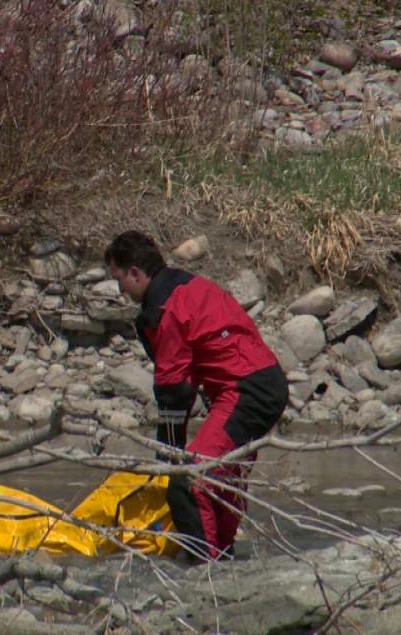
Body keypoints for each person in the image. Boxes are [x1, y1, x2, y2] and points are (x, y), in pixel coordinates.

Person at [104, 231, 288, 562]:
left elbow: (174, 388)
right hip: (266, 381)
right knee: (223, 483)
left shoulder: (164, 309)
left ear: (135, 272)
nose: (120, 290)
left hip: (245, 390)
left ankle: (207, 573)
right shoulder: (188, 285)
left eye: (119, 280)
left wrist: (169, 454)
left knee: (189, 482)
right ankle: (226, 559)